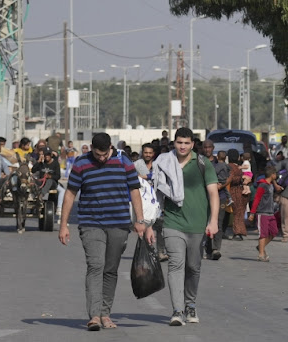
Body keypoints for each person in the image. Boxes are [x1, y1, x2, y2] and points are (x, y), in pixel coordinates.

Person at [58, 133, 151, 331]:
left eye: (104, 154)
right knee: (95, 265)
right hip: (91, 223)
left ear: (111, 147)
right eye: (97, 154)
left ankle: (105, 313)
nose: (101, 159)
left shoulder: (123, 161)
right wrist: (63, 224)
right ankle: (94, 315)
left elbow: (135, 190)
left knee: (110, 269)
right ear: (91, 148)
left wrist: (140, 220)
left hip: (119, 224)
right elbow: (70, 193)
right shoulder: (81, 163)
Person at [153, 127, 218, 326]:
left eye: (186, 143)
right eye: (179, 142)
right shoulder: (164, 162)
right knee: (175, 265)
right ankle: (177, 310)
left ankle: (190, 304)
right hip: (173, 222)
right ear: (174, 143)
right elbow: (155, 192)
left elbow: (213, 193)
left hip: (198, 225)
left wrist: (213, 220)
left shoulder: (202, 163)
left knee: (193, 267)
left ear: (192, 144)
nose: (182, 146)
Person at [134, 143, 168, 261]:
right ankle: (147, 251)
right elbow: (137, 177)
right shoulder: (137, 164)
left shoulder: (157, 165)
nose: (148, 155)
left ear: (153, 154)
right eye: (145, 152)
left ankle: (160, 252)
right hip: (143, 202)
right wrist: (145, 177)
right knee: (145, 227)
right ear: (142, 153)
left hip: (158, 200)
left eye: (150, 153)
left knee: (161, 227)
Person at [249, 166, 279, 261]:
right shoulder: (262, 185)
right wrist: (252, 213)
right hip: (262, 213)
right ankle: (261, 254)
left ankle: (260, 246)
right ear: (272, 175)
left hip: (270, 213)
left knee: (274, 232)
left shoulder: (270, 185)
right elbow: (257, 199)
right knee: (263, 234)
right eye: (275, 174)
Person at [205, 150, 231, 260]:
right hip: (207, 198)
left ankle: (216, 248)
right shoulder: (204, 163)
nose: (207, 149)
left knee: (218, 224)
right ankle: (208, 249)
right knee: (206, 224)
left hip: (220, 198)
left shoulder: (218, 166)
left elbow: (230, 177)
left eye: (209, 147)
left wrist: (222, 185)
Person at [227, 149, 249, 240]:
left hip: (233, 191)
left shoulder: (230, 166)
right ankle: (238, 232)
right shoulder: (233, 167)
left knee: (236, 212)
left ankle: (238, 231)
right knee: (238, 213)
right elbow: (232, 179)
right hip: (236, 191)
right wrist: (241, 178)